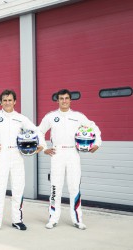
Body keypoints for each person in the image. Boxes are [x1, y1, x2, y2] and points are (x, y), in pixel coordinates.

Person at [0, 89, 46, 231]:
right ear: (1, 102)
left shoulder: (21, 118)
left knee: (18, 188)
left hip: (16, 155)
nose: (7, 102)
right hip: (0, 154)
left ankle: (17, 220)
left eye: (10, 100)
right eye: (5, 100)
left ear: (15, 101)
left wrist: (42, 145)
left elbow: (37, 131)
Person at [38, 89, 102, 230]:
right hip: (57, 153)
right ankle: (53, 219)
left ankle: (77, 219)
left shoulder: (78, 116)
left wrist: (97, 143)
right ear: (58, 100)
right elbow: (39, 132)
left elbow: (94, 127)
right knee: (55, 187)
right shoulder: (51, 116)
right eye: (61, 98)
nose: (64, 101)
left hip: (73, 153)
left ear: (70, 100)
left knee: (74, 187)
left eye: (67, 98)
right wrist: (44, 148)